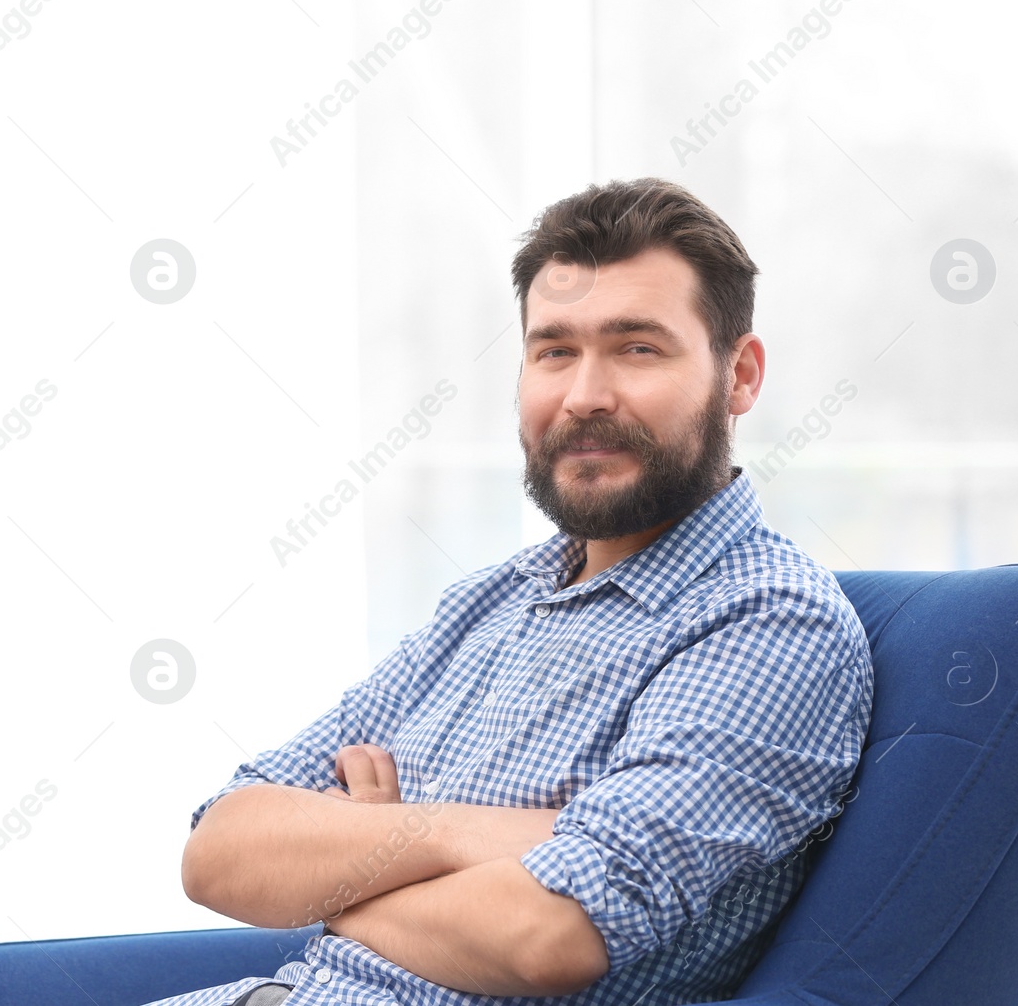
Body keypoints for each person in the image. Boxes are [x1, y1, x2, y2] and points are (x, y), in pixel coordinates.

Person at [160, 177, 874, 1006]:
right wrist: (467, 837)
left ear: (739, 375)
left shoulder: (769, 624)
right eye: (555, 351)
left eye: (637, 347)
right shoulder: (492, 599)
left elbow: (547, 935)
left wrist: (349, 864)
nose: (584, 396)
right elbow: (220, 849)